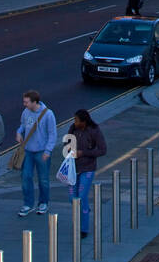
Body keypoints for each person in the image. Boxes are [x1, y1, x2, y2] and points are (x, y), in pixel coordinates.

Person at [65, 109, 107, 238]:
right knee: (73, 198)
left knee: (82, 196)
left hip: (87, 168)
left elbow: (102, 149)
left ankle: (83, 228)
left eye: (77, 120)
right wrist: (68, 150)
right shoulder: (73, 129)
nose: (75, 122)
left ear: (84, 121)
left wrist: (84, 153)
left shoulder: (94, 131)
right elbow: (66, 144)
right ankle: (84, 212)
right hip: (73, 168)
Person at [16, 89, 57, 215]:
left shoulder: (48, 114)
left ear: (35, 102)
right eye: (24, 102)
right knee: (25, 176)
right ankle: (28, 204)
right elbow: (23, 125)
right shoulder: (26, 112)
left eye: (27, 102)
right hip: (28, 151)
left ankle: (43, 203)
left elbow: (52, 134)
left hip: (41, 151)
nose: (24, 104)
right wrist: (19, 132)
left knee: (43, 179)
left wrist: (48, 151)